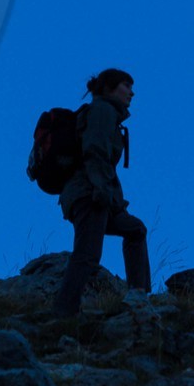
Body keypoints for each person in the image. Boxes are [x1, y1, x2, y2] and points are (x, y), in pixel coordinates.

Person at [52, 68, 150, 318]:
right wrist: (101, 191)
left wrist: (116, 203)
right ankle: (64, 313)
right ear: (109, 88)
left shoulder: (108, 115)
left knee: (135, 229)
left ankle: (139, 296)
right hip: (90, 195)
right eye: (126, 86)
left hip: (98, 195)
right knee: (87, 254)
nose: (132, 92)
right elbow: (95, 152)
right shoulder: (102, 111)